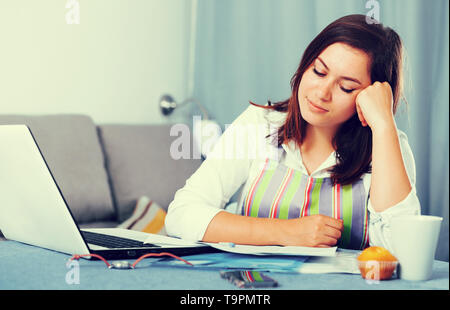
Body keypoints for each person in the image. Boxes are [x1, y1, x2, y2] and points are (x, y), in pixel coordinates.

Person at [165, 14, 421, 251]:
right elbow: (182, 215)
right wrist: (286, 232)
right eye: (318, 71)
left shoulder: (387, 144)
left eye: (345, 87)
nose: (322, 93)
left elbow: (403, 249)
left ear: (370, 96)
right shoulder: (259, 124)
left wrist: (384, 124)